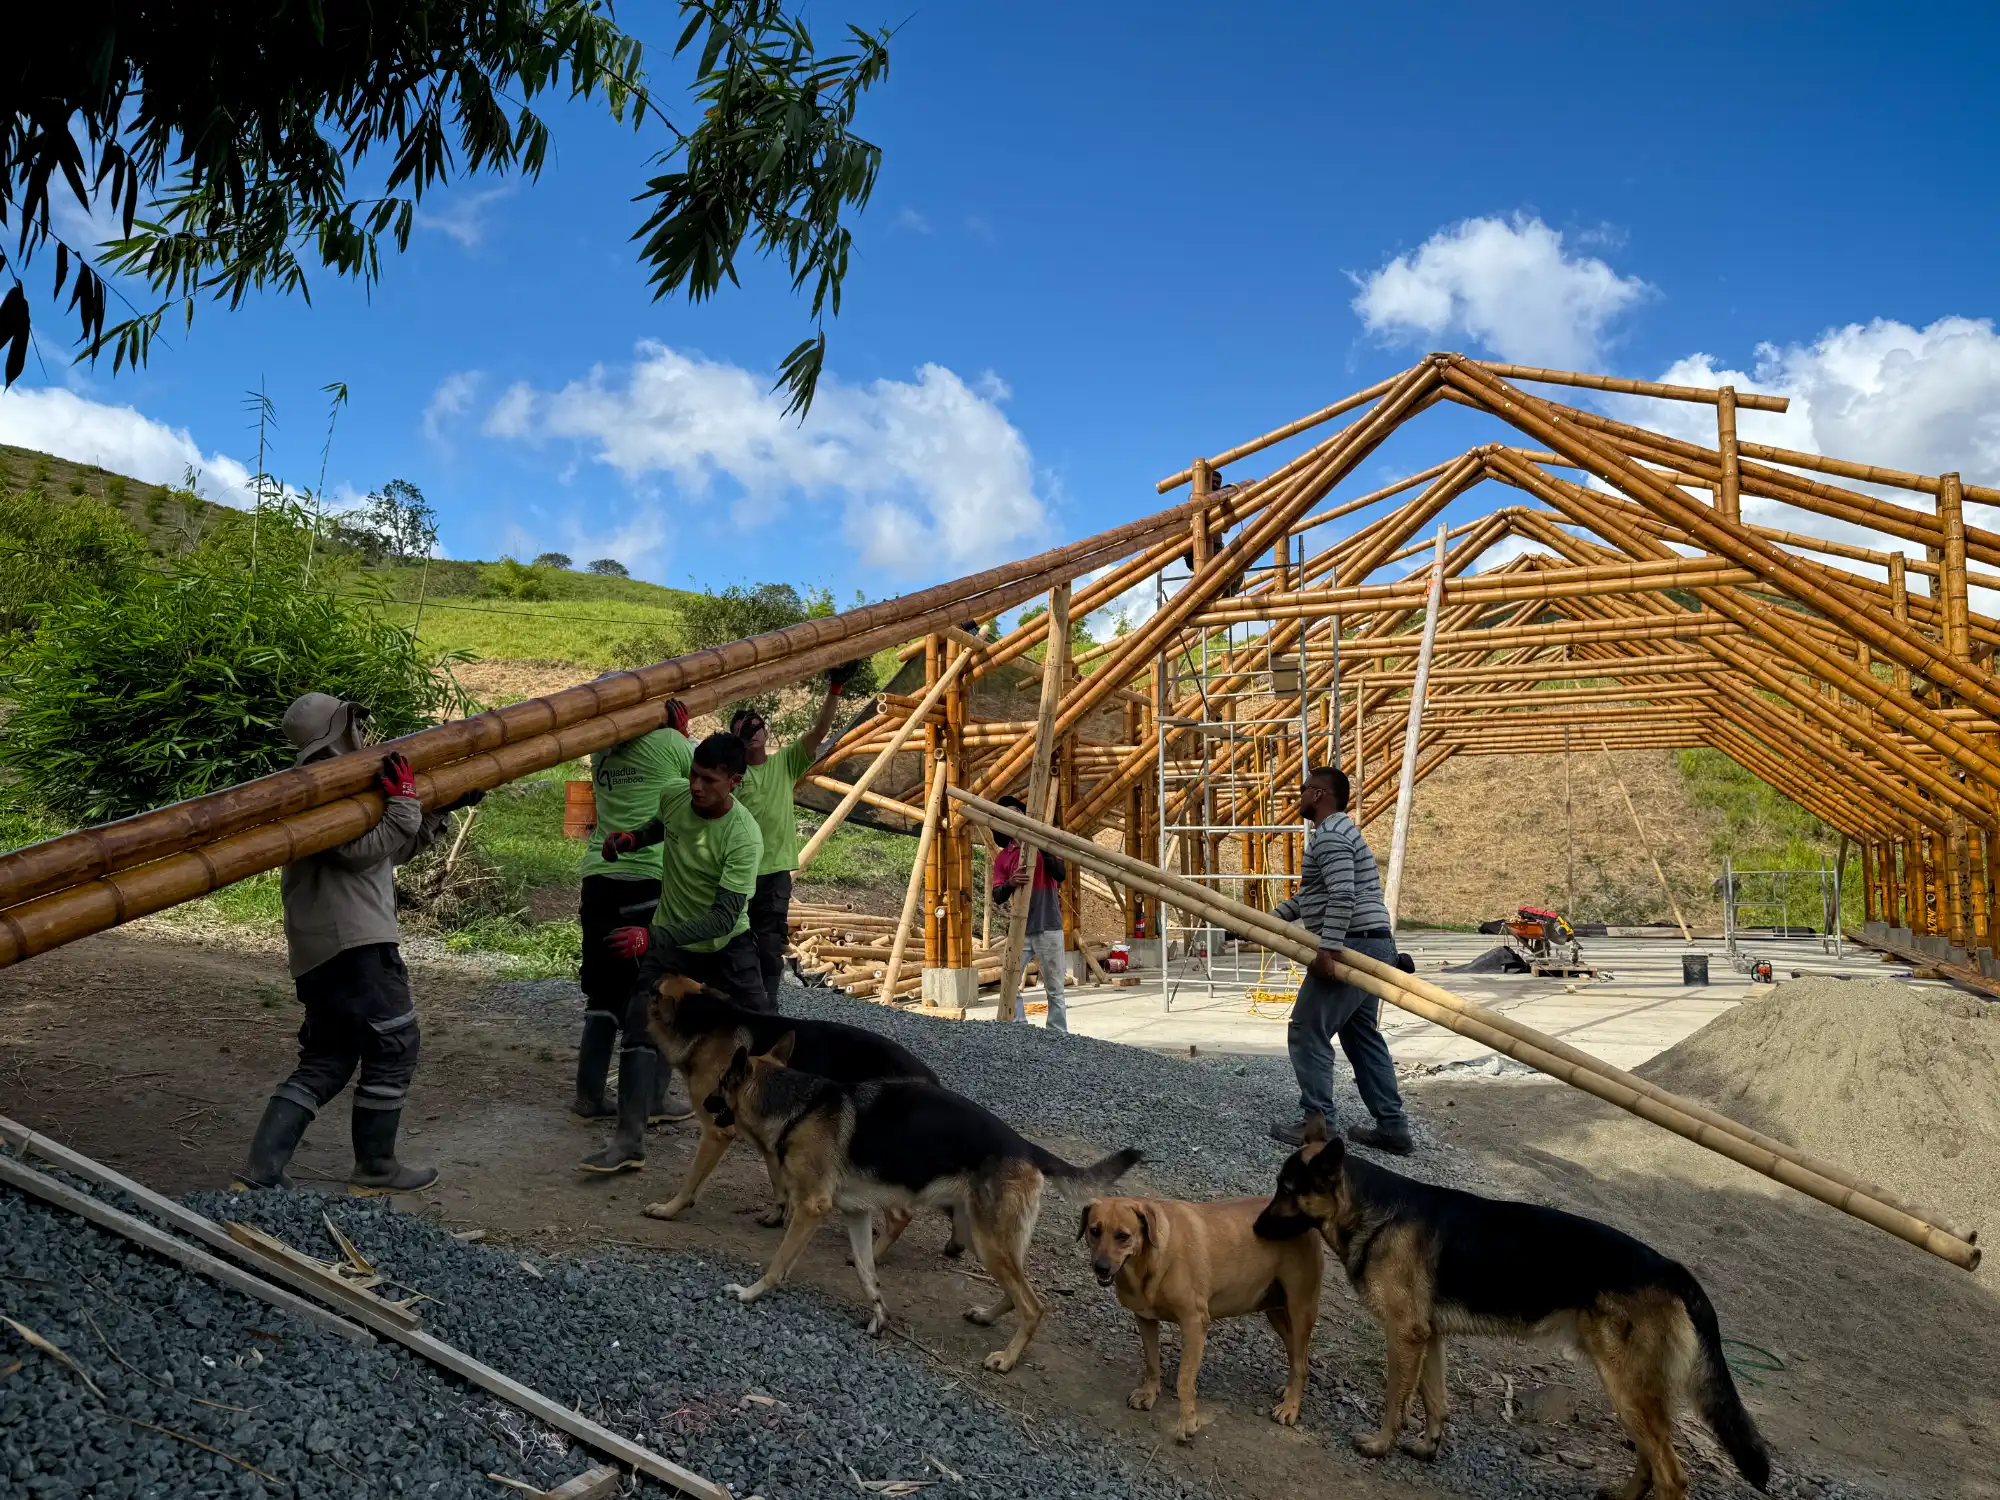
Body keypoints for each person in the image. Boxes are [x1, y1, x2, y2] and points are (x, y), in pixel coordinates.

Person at [237, 693, 479, 1193]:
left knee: (329, 1058)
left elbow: (386, 852)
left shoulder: (344, 782)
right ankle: (375, 1167)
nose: (363, 734)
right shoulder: (323, 787)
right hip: (354, 945)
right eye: (354, 724)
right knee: (394, 1043)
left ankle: (260, 1174)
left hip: (325, 949)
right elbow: (356, 851)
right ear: (337, 729)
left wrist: (436, 809)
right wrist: (407, 804)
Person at [581, 732, 764, 1174]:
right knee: (642, 1027)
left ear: (734, 782)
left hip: (725, 947)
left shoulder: (744, 837)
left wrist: (650, 939)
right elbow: (664, 824)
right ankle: (627, 1143)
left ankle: (773, 1135)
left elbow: (723, 920)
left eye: (709, 781)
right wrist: (631, 840)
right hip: (671, 940)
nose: (697, 787)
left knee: (762, 1033)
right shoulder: (675, 796)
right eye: (694, 775)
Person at [1268, 766, 1413, 1154]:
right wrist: (1267, 922)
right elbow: (1311, 896)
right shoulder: (1337, 833)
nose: (1298, 797)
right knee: (1360, 1035)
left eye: (1302, 791)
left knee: (1306, 1028)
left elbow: (1343, 895)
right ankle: (1393, 1127)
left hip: (1352, 944)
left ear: (1317, 795)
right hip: (1374, 941)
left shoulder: (1329, 836)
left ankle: (1318, 1124)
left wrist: (1328, 950)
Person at [571, 693, 695, 1127]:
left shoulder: (601, 748)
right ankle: (652, 1099)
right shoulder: (670, 744)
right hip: (649, 876)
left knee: (603, 991)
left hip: (600, 876)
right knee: (656, 991)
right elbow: (705, 784)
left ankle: (589, 1096)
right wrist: (682, 734)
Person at [731, 659, 861, 1007]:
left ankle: (768, 1006)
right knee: (736, 940)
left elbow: (819, 733)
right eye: (746, 726)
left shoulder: (784, 764)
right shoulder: (730, 776)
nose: (754, 729)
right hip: (736, 872)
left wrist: (834, 690)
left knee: (770, 942)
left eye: (758, 724)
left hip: (773, 873)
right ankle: (740, 1003)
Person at [990, 795, 1070, 1031]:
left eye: (1018, 812)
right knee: (1010, 980)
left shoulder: (1045, 846)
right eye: (1008, 815)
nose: (1014, 817)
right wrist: (1011, 882)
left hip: (1049, 925)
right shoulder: (1004, 858)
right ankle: (1019, 1027)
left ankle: (1057, 1033)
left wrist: (1042, 848)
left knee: (1055, 987)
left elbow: (1060, 874)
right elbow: (997, 895)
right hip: (1020, 929)